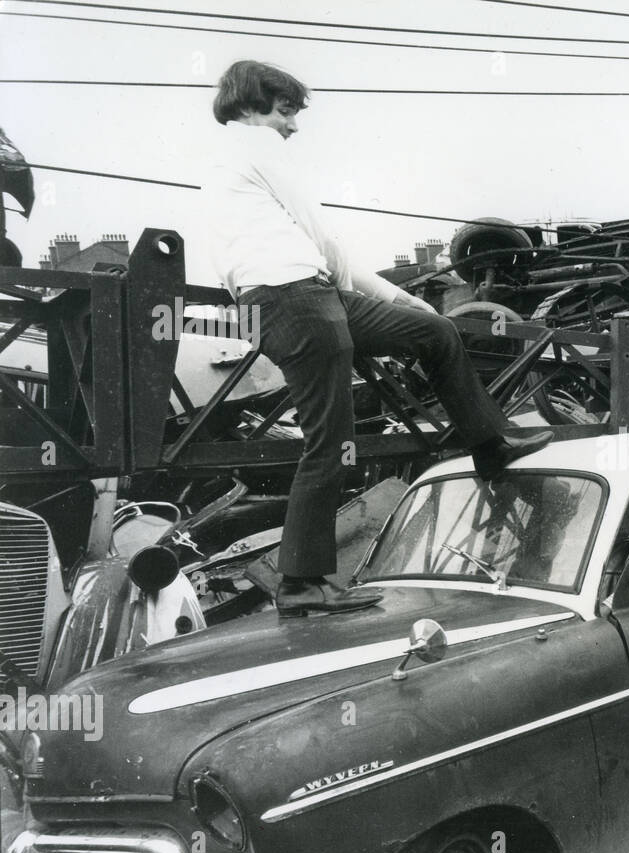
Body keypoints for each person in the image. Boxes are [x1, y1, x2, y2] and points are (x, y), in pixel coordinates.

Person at [202, 61, 551, 617]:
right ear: (251, 105)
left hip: (306, 297)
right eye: (286, 111)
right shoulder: (254, 148)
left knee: (434, 331)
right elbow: (322, 237)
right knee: (330, 441)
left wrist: (402, 301)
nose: (293, 126)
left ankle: (489, 446)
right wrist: (351, 290)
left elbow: (312, 255)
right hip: (300, 302)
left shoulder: (225, 167)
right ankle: (300, 582)